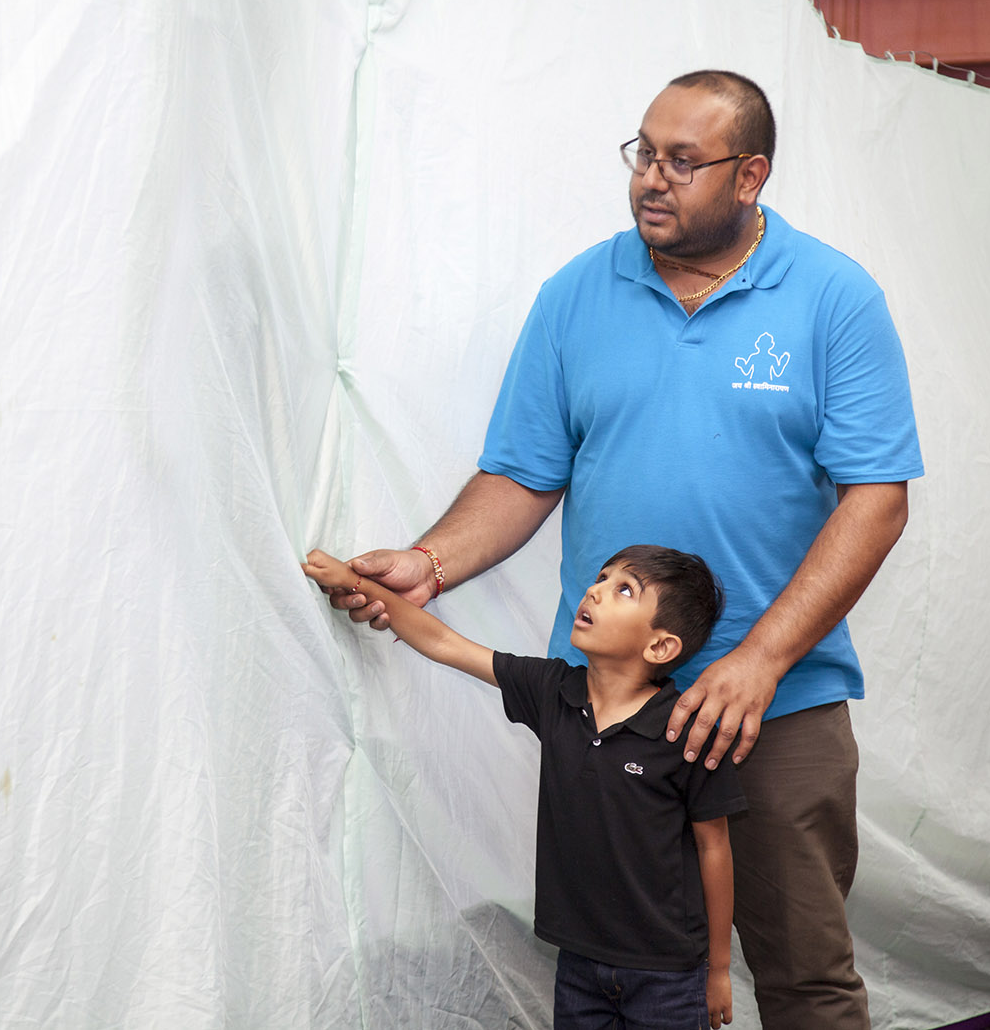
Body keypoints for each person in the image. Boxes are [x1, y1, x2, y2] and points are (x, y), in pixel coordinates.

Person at [330, 70, 923, 1029]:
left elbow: (877, 502)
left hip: (776, 708)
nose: (651, 177)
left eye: (683, 161)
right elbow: (522, 473)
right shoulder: (577, 295)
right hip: (610, 718)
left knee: (805, 980)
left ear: (751, 176)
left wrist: (758, 661)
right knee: (616, 974)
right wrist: (429, 564)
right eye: (644, 153)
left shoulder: (833, 299)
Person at [304, 544, 746, 1029]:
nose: (596, 591)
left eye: (624, 590)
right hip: (577, 960)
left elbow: (715, 847)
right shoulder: (554, 690)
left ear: (660, 647)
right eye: (602, 577)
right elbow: (444, 642)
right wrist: (358, 583)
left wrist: (719, 969)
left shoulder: (688, 732)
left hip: (667, 973)